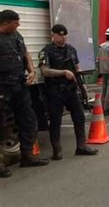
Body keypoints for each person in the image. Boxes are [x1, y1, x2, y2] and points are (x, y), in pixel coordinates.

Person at [0, 10, 49, 177]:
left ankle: (27, 156)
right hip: (2, 88)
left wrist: (31, 70)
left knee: (28, 120)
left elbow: (25, 52)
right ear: (6, 23)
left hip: (20, 86)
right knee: (2, 126)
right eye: (16, 22)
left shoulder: (16, 35)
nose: (18, 25)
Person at [39, 24, 98, 160]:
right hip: (54, 91)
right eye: (60, 35)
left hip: (71, 90)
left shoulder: (71, 49)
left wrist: (82, 85)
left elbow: (77, 67)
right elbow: (44, 71)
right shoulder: (47, 51)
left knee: (79, 117)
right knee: (55, 120)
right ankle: (57, 150)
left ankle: (81, 146)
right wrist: (63, 72)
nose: (63, 37)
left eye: (64, 35)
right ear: (53, 35)